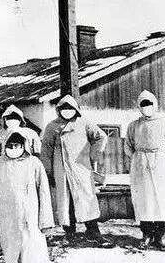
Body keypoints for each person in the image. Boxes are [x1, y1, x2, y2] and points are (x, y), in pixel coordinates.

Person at [0, 130, 59, 263]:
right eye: (10, 146)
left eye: (17, 145)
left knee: (35, 255)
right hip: (8, 220)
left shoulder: (34, 163)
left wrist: (45, 221)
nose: (13, 149)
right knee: (12, 256)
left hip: (30, 219)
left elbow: (43, 192)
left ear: (24, 146)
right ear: (4, 146)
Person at [41, 95, 114, 248]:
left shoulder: (84, 123)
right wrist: (49, 172)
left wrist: (92, 155)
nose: (67, 111)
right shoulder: (52, 127)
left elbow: (101, 137)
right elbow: (46, 151)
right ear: (59, 110)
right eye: (64, 108)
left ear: (75, 109)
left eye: (70, 108)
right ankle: (69, 233)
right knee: (66, 201)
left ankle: (93, 231)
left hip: (81, 168)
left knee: (86, 198)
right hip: (61, 169)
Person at [125, 91, 165, 251]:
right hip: (141, 166)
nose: (146, 107)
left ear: (155, 104)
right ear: (139, 106)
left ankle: (159, 237)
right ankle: (146, 235)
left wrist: (161, 159)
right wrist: (139, 159)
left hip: (161, 166)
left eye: (149, 104)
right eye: (143, 104)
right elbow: (128, 146)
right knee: (145, 201)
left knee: (161, 201)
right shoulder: (134, 125)